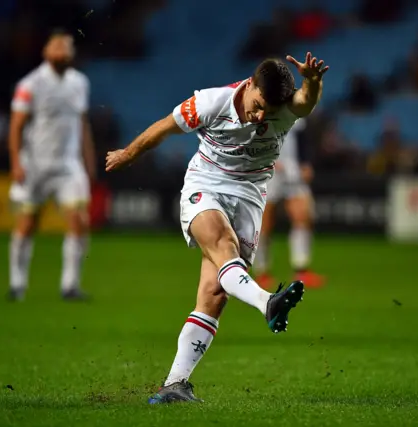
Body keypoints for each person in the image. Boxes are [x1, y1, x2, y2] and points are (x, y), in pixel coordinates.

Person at [106, 52, 328, 403]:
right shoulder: (211, 102)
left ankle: (175, 383)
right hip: (205, 185)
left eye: (267, 112)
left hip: (250, 196)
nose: (259, 116)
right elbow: (165, 126)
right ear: (250, 83)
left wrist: (313, 81)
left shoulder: (284, 109)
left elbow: (305, 100)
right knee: (222, 243)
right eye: (257, 105)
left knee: (214, 293)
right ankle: (267, 303)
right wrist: (128, 154)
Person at [8, 29, 95, 301]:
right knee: (27, 223)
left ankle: (70, 286)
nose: (61, 51)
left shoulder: (80, 82)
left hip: (68, 165)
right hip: (35, 165)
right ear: (46, 52)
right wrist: (15, 162)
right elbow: (16, 126)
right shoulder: (30, 84)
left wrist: (88, 159)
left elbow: (82, 124)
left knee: (79, 222)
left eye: (66, 47)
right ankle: (17, 284)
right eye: (56, 46)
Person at [253, 117, 326, 289]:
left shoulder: (294, 108)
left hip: (292, 169)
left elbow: (302, 138)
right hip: (267, 168)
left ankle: (301, 269)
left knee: (303, 216)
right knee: (264, 222)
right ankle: (262, 272)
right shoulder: (261, 105)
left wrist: (306, 163)